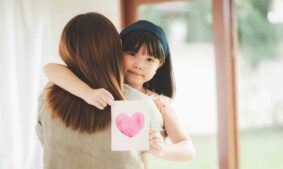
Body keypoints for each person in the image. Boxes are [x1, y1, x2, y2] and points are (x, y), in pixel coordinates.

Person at [43, 20, 196, 163]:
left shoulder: (158, 102)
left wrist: (163, 150)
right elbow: (51, 68)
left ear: (159, 66)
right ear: (117, 52)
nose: (139, 64)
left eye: (149, 59)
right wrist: (87, 93)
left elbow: (187, 147)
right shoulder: (100, 86)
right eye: (132, 53)